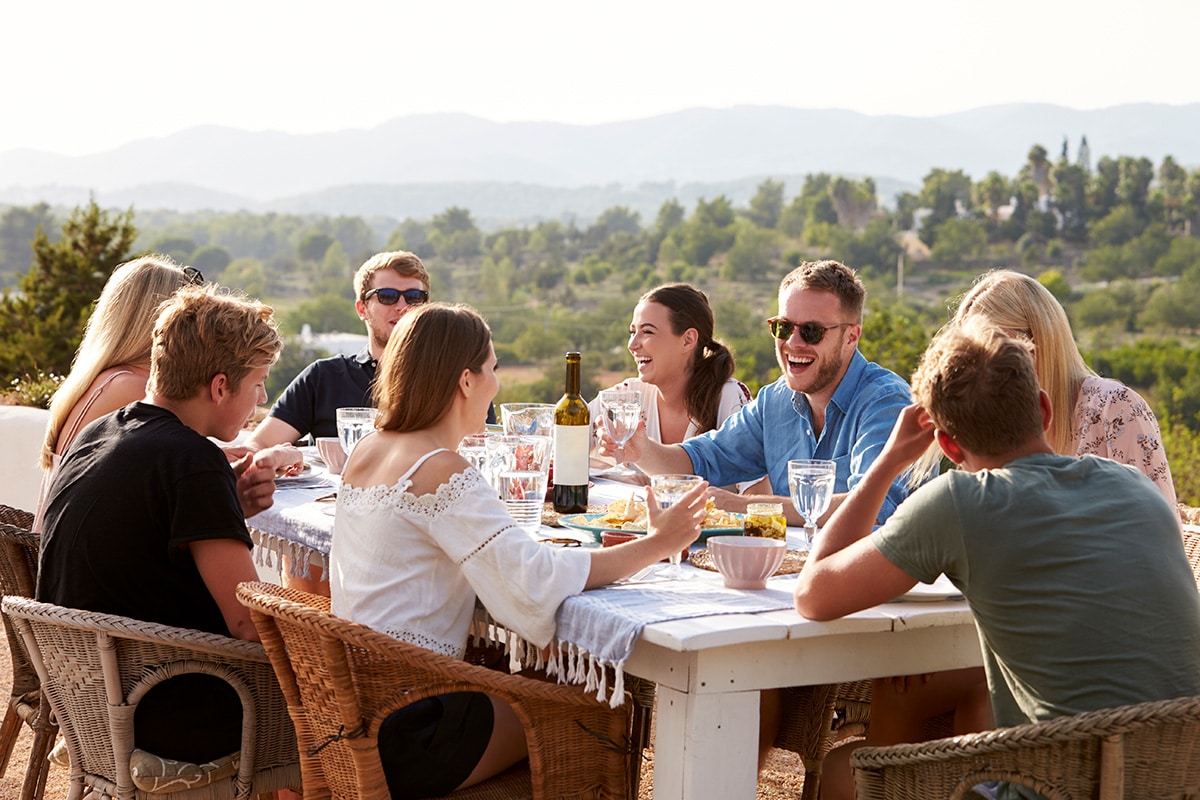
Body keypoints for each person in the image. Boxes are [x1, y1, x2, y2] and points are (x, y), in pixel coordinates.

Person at [794, 320, 1200, 800]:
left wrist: (887, 462)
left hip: (1051, 786)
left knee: (847, 765)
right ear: (1044, 411)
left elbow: (813, 595)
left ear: (946, 445)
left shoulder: (961, 503)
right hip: (1179, 774)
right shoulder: (1134, 487)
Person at [328, 302, 707, 799]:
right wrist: (658, 543)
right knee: (599, 707)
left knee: (541, 675)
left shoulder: (370, 448)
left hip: (358, 715)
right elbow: (533, 583)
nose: (496, 383)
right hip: (415, 731)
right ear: (466, 381)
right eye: (493, 368)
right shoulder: (440, 469)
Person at [37, 285, 285, 764]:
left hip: (90, 705)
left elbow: (146, 538)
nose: (262, 397)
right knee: (338, 711)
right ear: (218, 387)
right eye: (258, 383)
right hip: (173, 714)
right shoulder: (192, 462)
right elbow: (249, 626)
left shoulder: (101, 433)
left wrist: (222, 504)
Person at [601, 260, 913, 527]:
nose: (794, 342)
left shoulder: (886, 402)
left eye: (812, 331)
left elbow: (876, 508)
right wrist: (641, 450)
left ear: (851, 337)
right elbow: (701, 460)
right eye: (783, 328)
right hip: (791, 570)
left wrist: (742, 506)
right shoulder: (774, 401)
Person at [33, 255, 296, 531]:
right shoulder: (136, 389)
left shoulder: (105, 379)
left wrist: (219, 457)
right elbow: (185, 479)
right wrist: (275, 458)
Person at [949, 268, 1177, 508]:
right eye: (969, 357)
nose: (979, 369)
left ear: (1038, 341)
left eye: (990, 351)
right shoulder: (990, 424)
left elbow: (1161, 528)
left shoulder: (1114, 409)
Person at [247, 250, 496, 449]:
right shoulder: (324, 377)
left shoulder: (459, 381)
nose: (402, 306)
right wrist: (281, 455)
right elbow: (260, 445)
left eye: (414, 297)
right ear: (361, 309)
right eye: (387, 296)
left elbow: (483, 454)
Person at [590, 283, 751, 454]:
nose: (632, 345)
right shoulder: (625, 397)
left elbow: (754, 478)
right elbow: (563, 439)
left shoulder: (729, 397)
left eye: (647, 332)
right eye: (632, 332)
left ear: (687, 340)